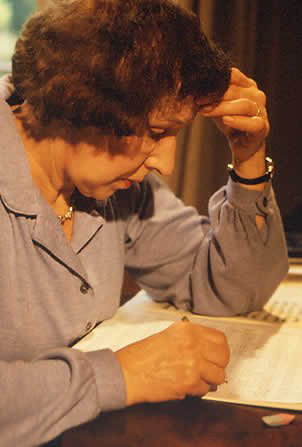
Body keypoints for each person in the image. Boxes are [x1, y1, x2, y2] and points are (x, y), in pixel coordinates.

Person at [0, 0, 288, 445]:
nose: (168, 164)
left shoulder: (118, 190)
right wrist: (120, 375)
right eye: (155, 133)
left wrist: (249, 161)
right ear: (78, 104)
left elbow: (229, 289)